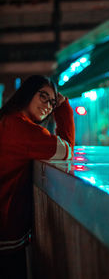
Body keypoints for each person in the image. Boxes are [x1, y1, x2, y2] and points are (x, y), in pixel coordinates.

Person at [0, 75, 75, 279]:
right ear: (27, 93)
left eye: (53, 102)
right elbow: (67, 149)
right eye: (44, 97)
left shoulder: (8, 120)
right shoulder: (23, 130)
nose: (49, 106)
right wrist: (64, 107)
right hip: (5, 234)